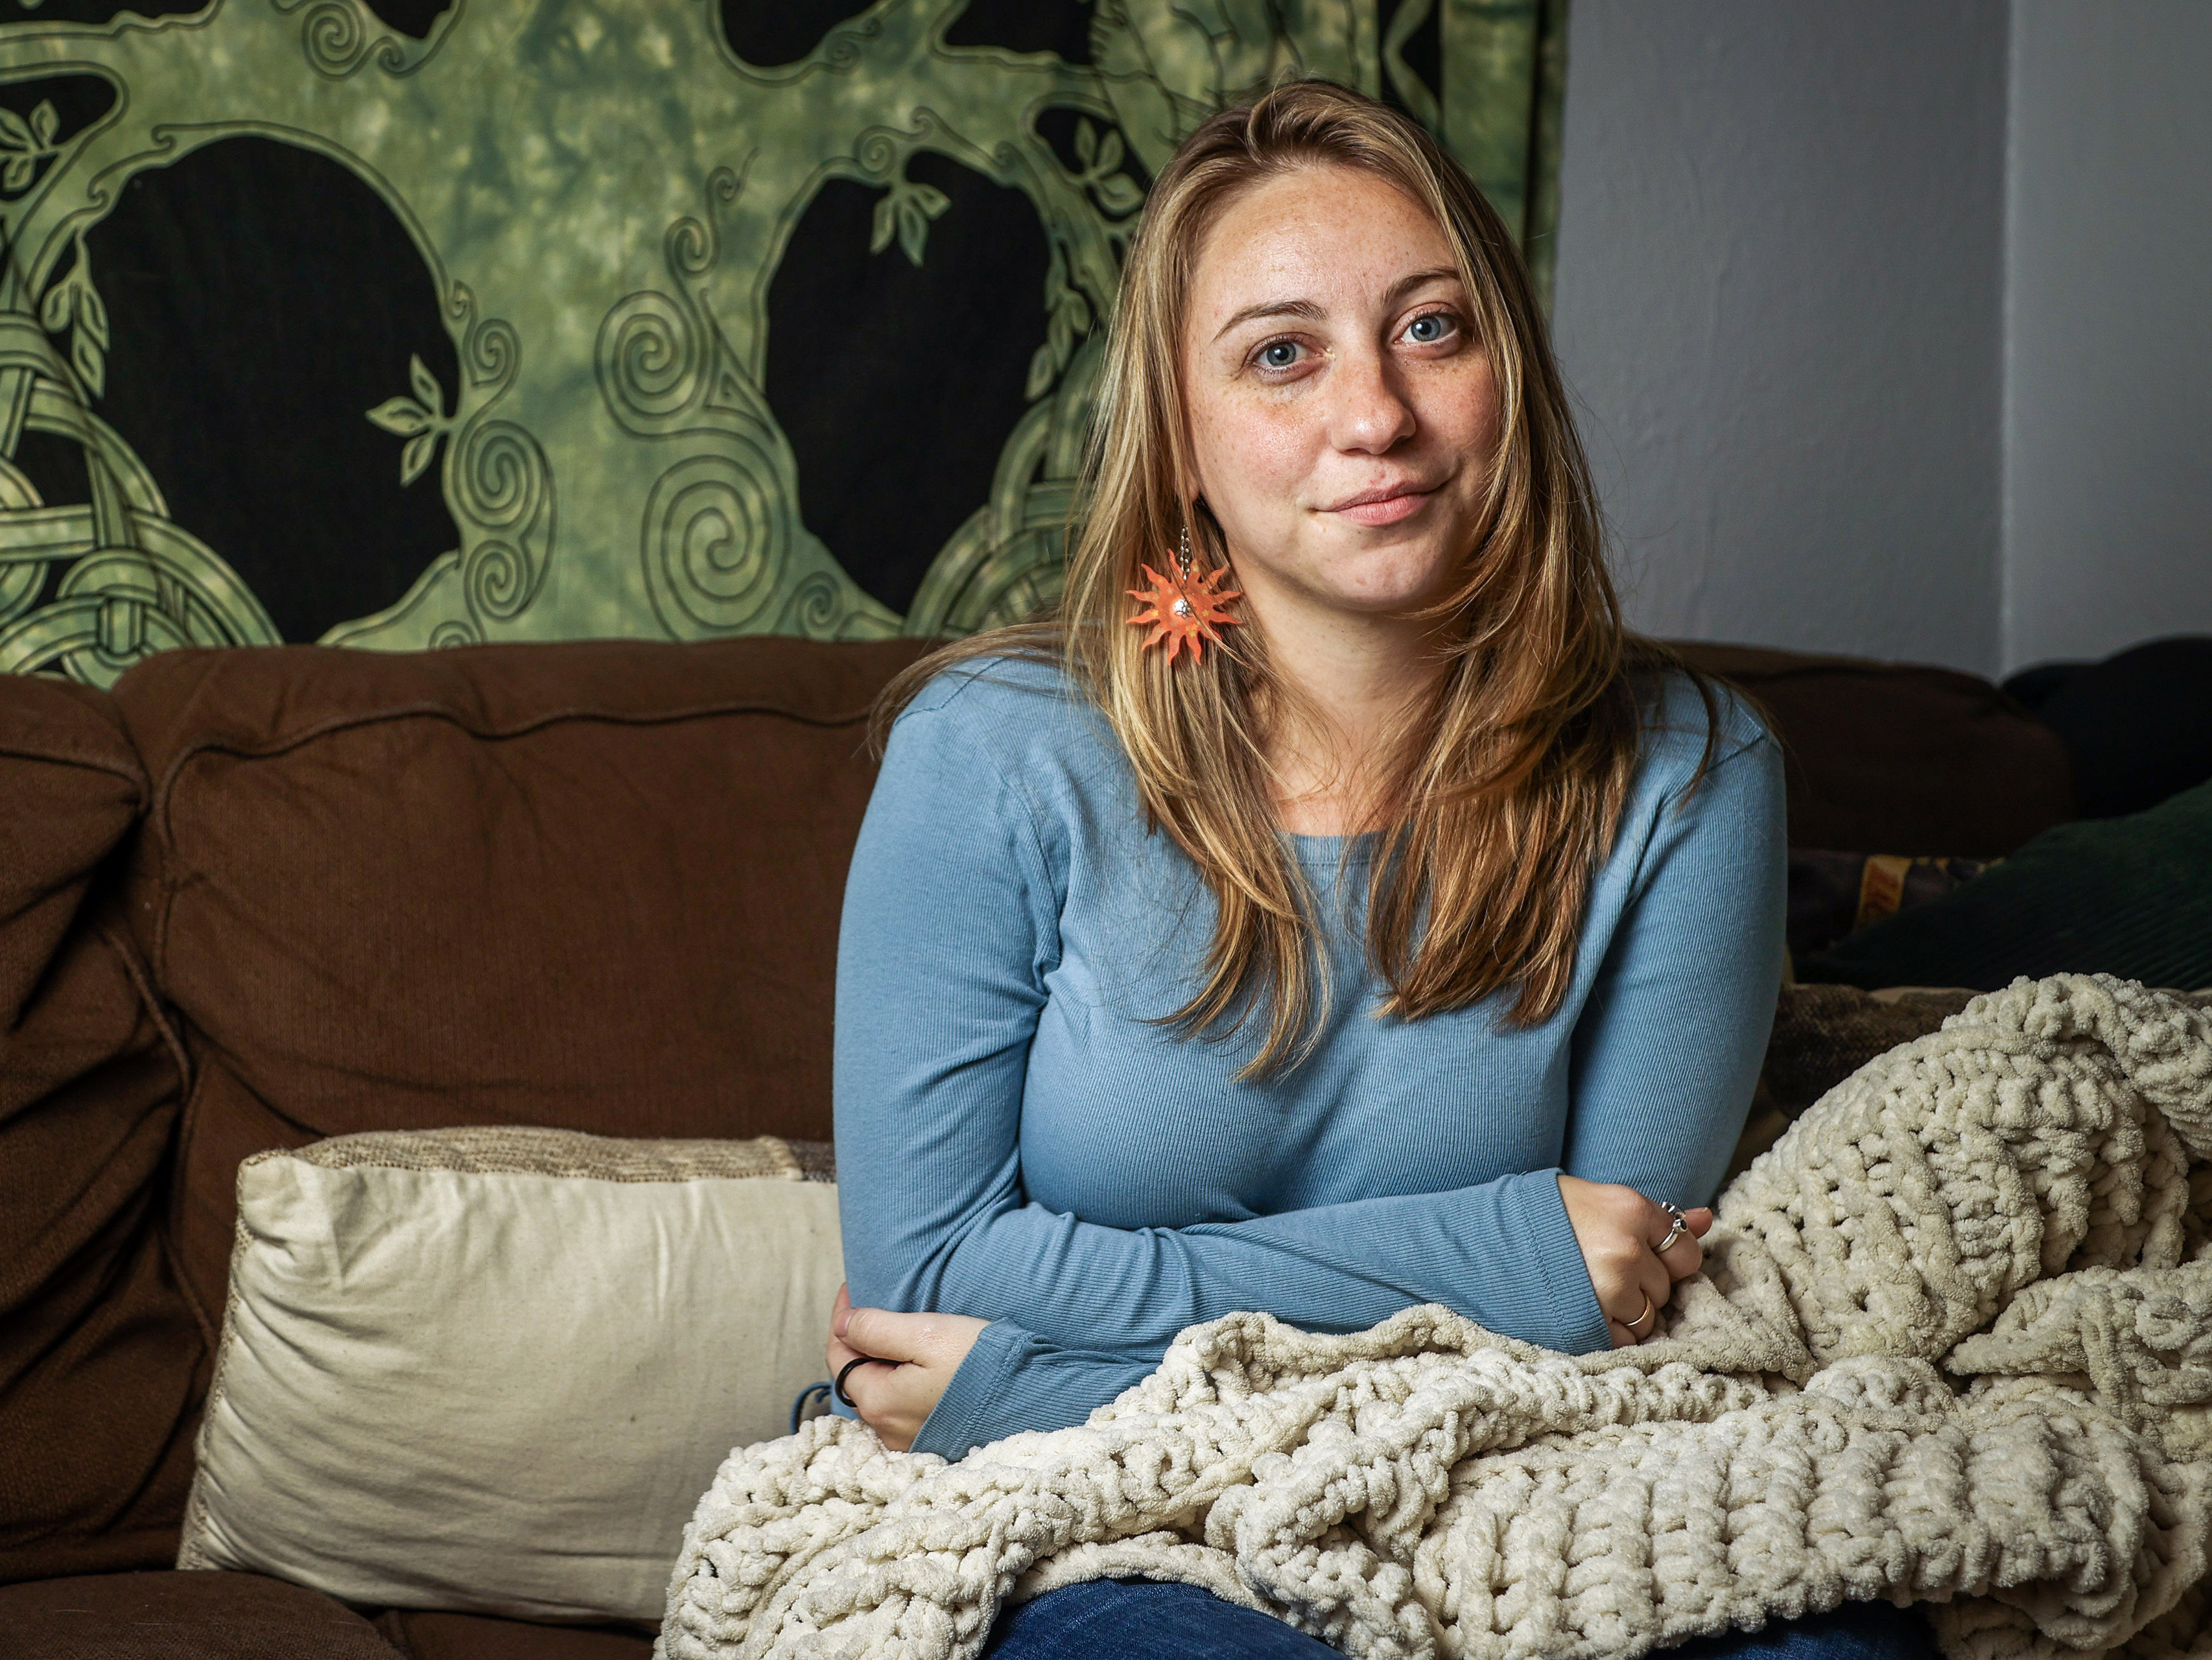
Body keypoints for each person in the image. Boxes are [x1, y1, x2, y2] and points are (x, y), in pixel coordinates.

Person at [823, 80, 1931, 1660]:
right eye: (1282, 353)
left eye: (1432, 330)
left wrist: (1043, 1357)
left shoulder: (1688, 769)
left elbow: (1621, 1316)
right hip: (1098, 1522)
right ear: (1184, 439)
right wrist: (1498, 1249)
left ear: (1513, 379)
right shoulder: (993, 755)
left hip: (1531, 1493)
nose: (1377, 417)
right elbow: (921, 1279)